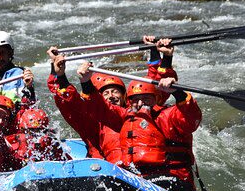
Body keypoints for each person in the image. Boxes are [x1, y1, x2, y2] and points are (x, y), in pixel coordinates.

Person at [76, 60, 202, 191]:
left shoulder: (170, 115)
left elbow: (191, 118)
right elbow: (100, 109)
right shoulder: (126, 117)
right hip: (141, 180)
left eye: (146, 98)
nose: (140, 103)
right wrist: (86, 82)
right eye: (136, 100)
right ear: (129, 101)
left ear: (157, 98)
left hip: (173, 178)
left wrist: (178, 92)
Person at [46, 37, 177, 163]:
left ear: (125, 97)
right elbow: (70, 105)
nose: (111, 96)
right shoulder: (94, 121)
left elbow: (155, 88)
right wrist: (59, 74)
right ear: (98, 98)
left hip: (140, 169)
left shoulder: (137, 112)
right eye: (106, 93)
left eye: (115, 91)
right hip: (107, 170)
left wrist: (157, 52)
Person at [0, 31, 35, 106]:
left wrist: (29, 87)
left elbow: (31, 103)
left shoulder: (21, 74)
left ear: (10, 53)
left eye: (2, 53)